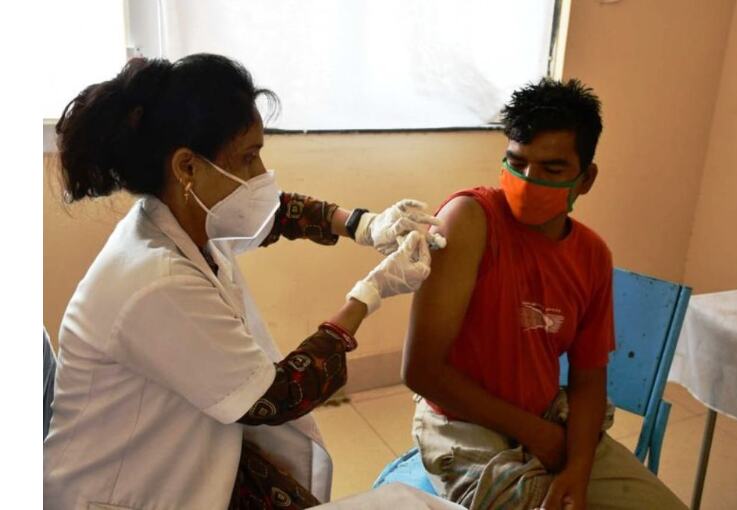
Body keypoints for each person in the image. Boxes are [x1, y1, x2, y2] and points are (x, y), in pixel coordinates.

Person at [43, 54, 442, 510]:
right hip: (123, 493)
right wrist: (371, 292)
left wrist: (364, 224)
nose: (261, 177)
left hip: (183, 454)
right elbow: (278, 395)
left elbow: (274, 214)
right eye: (249, 158)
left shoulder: (177, 219)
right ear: (187, 168)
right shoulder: (155, 282)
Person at [401, 79, 687, 510]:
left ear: (585, 179)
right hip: (463, 425)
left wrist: (578, 468)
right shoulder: (468, 221)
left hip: (547, 416)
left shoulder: (591, 255)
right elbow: (422, 371)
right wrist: (536, 434)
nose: (528, 181)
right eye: (517, 163)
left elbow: (588, 378)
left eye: (552, 170)